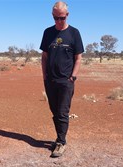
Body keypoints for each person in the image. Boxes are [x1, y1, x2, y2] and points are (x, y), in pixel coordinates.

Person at [40, 1, 84, 158]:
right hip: (50, 80)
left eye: (61, 18)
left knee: (62, 111)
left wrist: (73, 76)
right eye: (55, 18)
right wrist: (44, 75)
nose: (58, 21)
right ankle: (59, 137)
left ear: (67, 15)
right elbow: (44, 56)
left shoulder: (74, 33)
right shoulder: (47, 32)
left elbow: (78, 58)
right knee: (54, 111)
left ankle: (61, 142)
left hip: (66, 81)